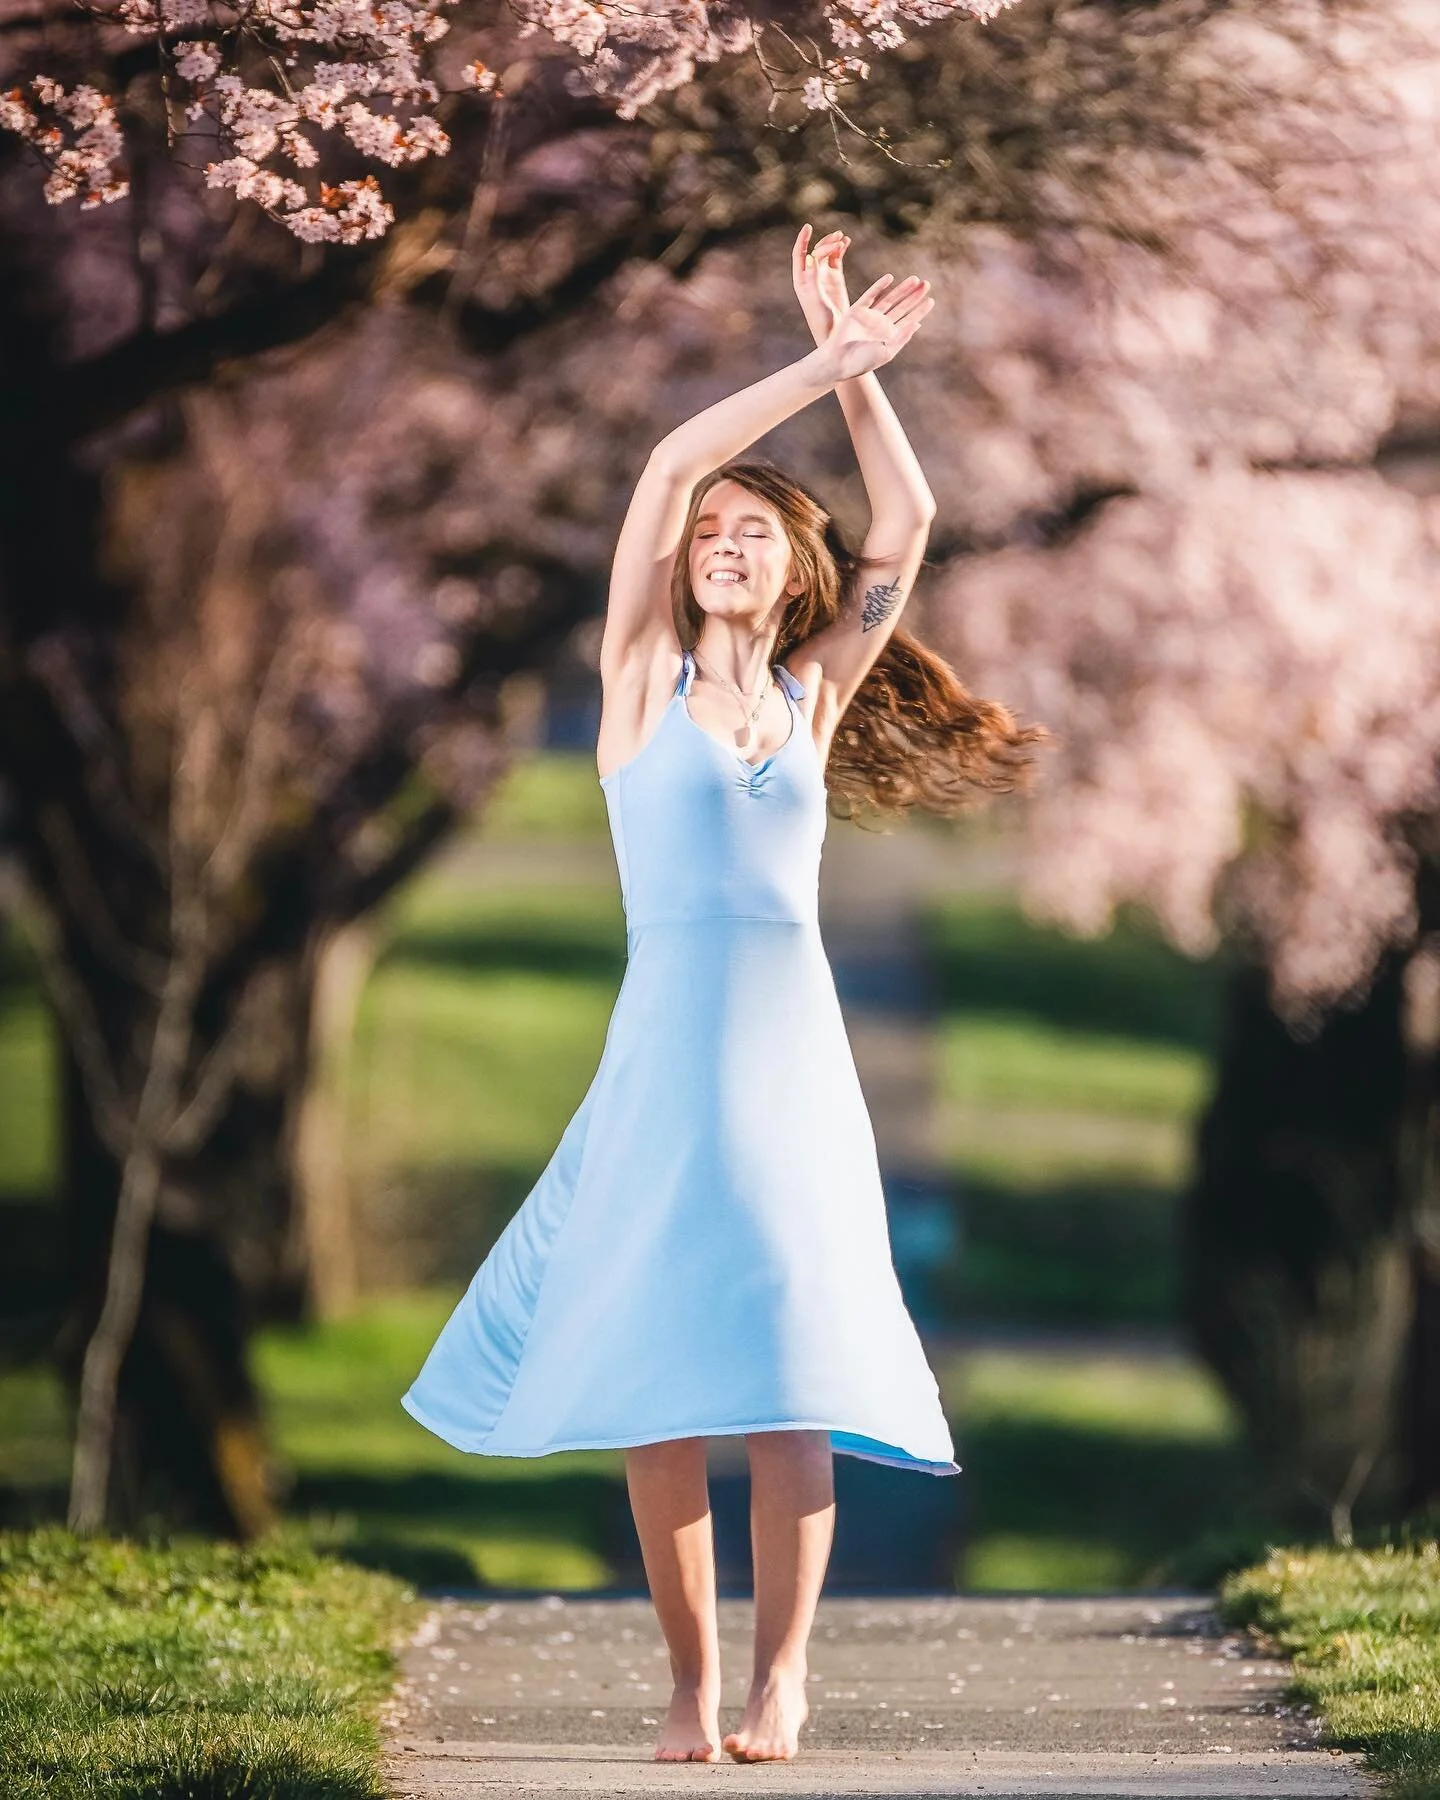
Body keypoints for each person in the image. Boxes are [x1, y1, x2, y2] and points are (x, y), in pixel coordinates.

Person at [401, 224, 1043, 1765]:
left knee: (794, 1371)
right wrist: (808, 366)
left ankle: (782, 1679)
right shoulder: (637, 691)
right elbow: (668, 467)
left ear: (791, 567)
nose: (723, 545)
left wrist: (870, 385)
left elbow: (911, 515)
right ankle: (690, 1689)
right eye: (712, 538)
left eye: (752, 534)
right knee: (661, 1385)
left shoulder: (814, 699)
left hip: (796, 1074)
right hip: (663, 1069)